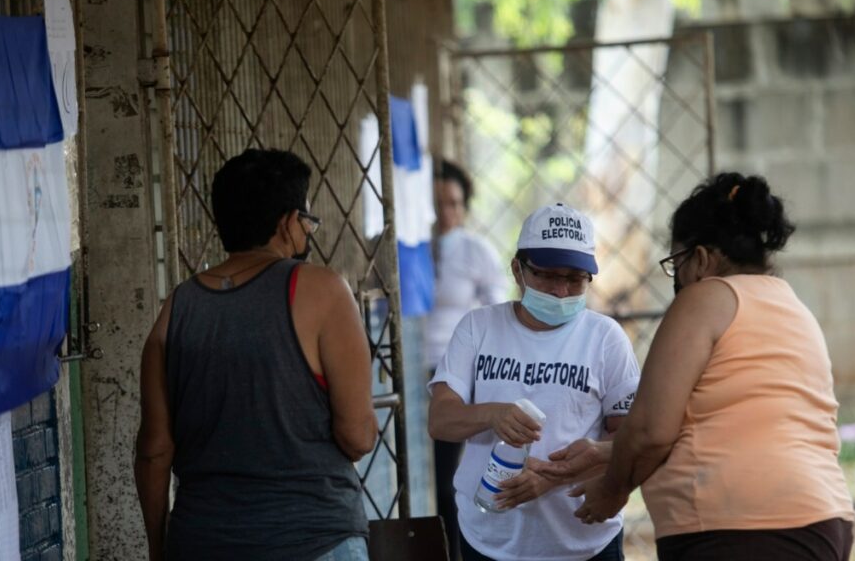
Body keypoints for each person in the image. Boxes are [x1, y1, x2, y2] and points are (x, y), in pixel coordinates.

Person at [567, 173, 855, 560]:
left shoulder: (704, 298)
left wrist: (613, 488)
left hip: (740, 528)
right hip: (822, 520)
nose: (678, 281)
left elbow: (652, 429)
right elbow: (730, 424)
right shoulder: (793, 308)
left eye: (676, 265)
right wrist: (608, 452)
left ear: (700, 258)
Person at [134, 149, 378, 561]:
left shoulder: (176, 310)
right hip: (315, 539)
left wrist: (159, 547)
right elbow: (356, 437)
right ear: (286, 223)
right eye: (307, 221)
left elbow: (155, 451)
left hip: (203, 541)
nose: (308, 232)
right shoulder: (323, 291)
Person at [428, 202, 640, 561]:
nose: (560, 291)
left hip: (582, 542)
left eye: (574, 279)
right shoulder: (479, 327)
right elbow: (441, 420)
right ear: (517, 270)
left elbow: (628, 439)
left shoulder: (605, 338)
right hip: (489, 540)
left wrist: (551, 479)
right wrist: (492, 415)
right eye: (547, 275)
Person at [426, 160, 509, 560]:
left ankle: (457, 551)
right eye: (438, 202)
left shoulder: (477, 251)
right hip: (410, 369)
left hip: (458, 373)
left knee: (450, 477)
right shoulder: (405, 249)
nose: (446, 212)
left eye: (454, 203)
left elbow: (498, 312)